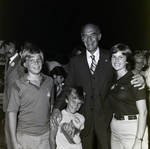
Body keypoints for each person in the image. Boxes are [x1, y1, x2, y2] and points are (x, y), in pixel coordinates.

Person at [50, 23, 145, 149]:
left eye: (92, 35)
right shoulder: (75, 61)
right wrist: (57, 108)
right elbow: (67, 87)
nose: (89, 39)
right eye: (85, 36)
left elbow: (122, 75)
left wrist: (140, 77)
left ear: (99, 36)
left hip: (106, 119)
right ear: (82, 38)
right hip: (82, 120)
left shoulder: (110, 58)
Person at [7, 45, 54, 149]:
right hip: (25, 137)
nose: (36, 63)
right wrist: (14, 141)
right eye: (31, 60)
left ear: (42, 61)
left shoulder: (49, 81)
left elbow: (50, 106)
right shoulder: (18, 85)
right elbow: (12, 113)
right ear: (25, 64)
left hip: (46, 135)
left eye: (38, 60)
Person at [109, 43, 148, 149]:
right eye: (114, 56)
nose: (116, 60)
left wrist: (138, 140)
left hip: (133, 128)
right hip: (115, 126)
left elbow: (143, 112)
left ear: (127, 60)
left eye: (120, 57)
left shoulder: (135, 80)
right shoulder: (112, 78)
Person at [3, 40, 25, 149]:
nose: (7, 49)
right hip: (8, 102)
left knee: (13, 132)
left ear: (16, 48)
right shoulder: (9, 62)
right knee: (7, 130)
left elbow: (24, 82)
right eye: (6, 47)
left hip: (16, 103)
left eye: (10, 46)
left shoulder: (20, 62)